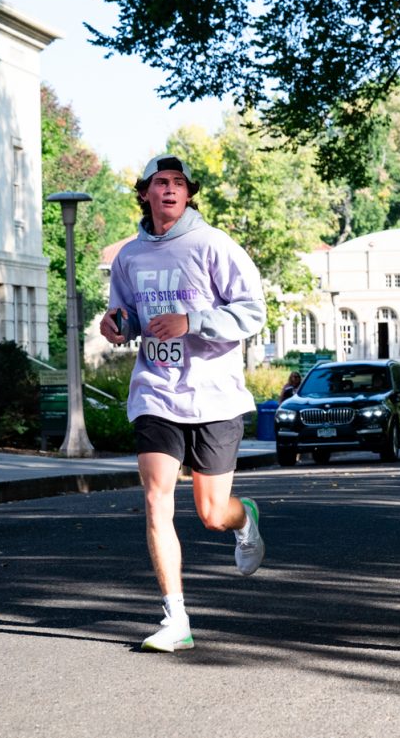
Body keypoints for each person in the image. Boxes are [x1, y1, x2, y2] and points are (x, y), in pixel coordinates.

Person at [100, 153, 268, 652]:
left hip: (213, 396)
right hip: (156, 390)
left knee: (212, 513)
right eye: (160, 182)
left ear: (188, 193)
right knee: (156, 500)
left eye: (178, 183)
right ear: (145, 193)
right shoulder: (129, 256)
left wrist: (191, 321)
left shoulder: (215, 245)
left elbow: (252, 312)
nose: (170, 189)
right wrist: (117, 324)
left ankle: (245, 520)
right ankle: (176, 619)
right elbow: (125, 312)